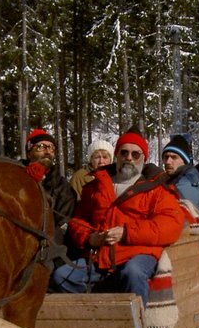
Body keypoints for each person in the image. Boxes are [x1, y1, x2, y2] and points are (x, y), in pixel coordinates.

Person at [52, 130, 183, 304]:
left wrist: (126, 232)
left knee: (133, 272)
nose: (129, 157)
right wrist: (90, 238)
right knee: (61, 277)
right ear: (117, 155)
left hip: (138, 252)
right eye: (124, 152)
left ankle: (136, 326)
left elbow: (170, 225)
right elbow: (78, 221)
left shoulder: (157, 188)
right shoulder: (95, 186)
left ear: (143, 158)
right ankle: (97, 316)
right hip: (100, 256)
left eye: (135, 154)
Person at [23, 128, 77, 249]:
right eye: (41, 146)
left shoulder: (63, 187)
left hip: (47, 249)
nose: (48, 151)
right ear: (29, 152)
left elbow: (63, 225)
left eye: (51, 147)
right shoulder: (14, 177)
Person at [161, 134, 199, 235]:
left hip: (191, 241)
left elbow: (178, 215)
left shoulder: (185, 184)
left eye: (174, 157)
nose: (168, 161)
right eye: (166, 157)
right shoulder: (178, 179)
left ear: (184, 161)